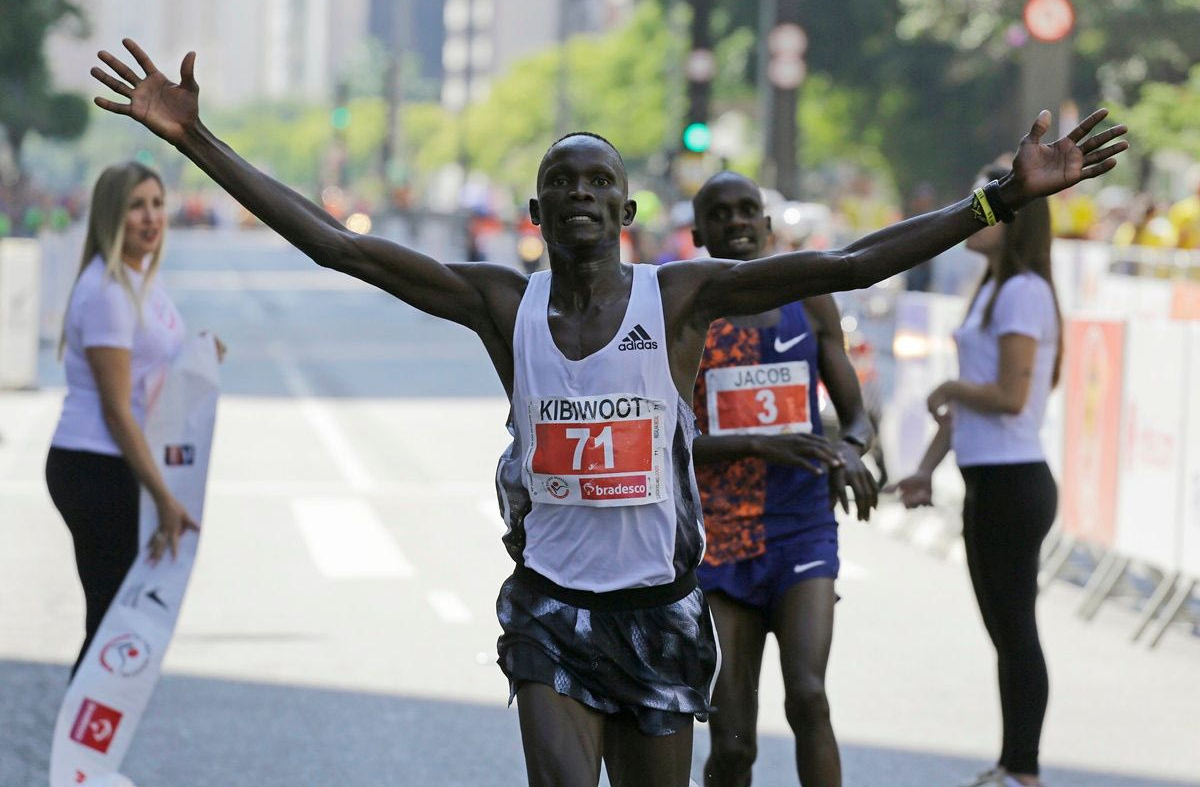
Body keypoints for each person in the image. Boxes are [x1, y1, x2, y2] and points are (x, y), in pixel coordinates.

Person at [89, 39, 1126, 787]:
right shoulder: (503, 302)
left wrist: (998, 201)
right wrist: (196, 141)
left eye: (600, 181)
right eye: (560, 182)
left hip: (663, 608)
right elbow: (339, 245)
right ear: (537, 214)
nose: (580, 192)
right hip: (551, 609)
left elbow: (850, 261)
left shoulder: (682, 297)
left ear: (626, 213)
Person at [689, 172, 876, 787]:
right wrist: (754, 443)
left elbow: (856, 417)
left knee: (809, 697)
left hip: (801, 526)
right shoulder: (683, 314)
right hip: (719, 538)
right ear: (699, 232)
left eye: (749, 211)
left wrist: (850, 451)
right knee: (735, 740)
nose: (737, 221)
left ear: (768, 228)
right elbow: (666, 443)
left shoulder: (810, 299)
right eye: (721, 214)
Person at [893, 164, 1065, 787]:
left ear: (1013, 217)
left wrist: (951, 385)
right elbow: (969, 406)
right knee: (1005, 632)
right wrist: (924, 470)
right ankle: (1012, 762)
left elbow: (1010, 395)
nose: (975, 211)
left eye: (988, 202)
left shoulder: (1023, 290)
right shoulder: (994, 287)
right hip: (988, 478)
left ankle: (1023, 769)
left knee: (1016, 630)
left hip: (1014, 482)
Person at [44, 162, 222, 678]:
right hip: (96, 465)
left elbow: (152, 369)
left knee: (115, 618)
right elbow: (117, 410)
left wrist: (201, 357)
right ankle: (78, 753)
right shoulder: (107, 293)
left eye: (157, 204)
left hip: (114, 464)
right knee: (111, 620)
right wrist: (165, 500)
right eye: (136, 206)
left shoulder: (140, 280)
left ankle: (87, 754)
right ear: (110, 216)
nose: (150, 217)